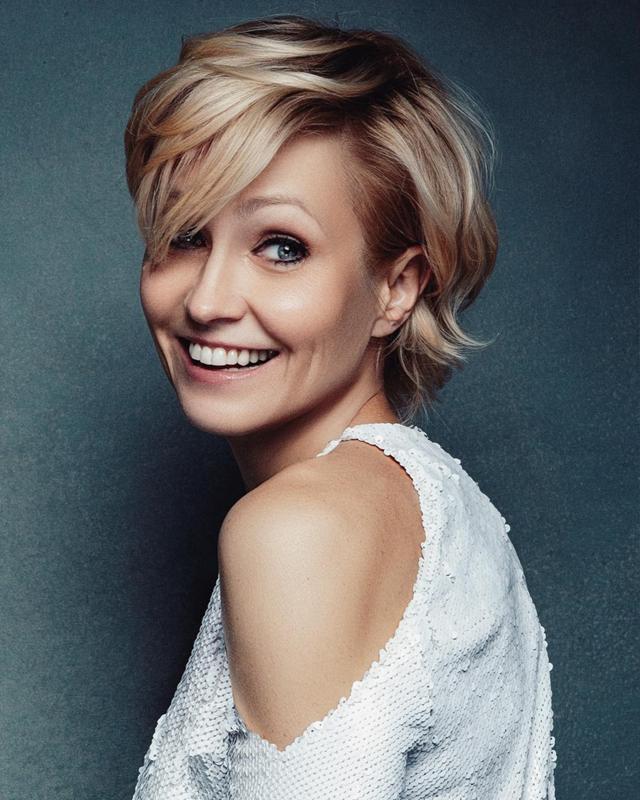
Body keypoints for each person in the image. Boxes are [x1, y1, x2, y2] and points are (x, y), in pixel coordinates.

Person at [124, 14, 556, 799]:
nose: (208, 300)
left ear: (396, 289)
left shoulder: (301, 529)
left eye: (282, 247)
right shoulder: (430, 507)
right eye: (186, 236)